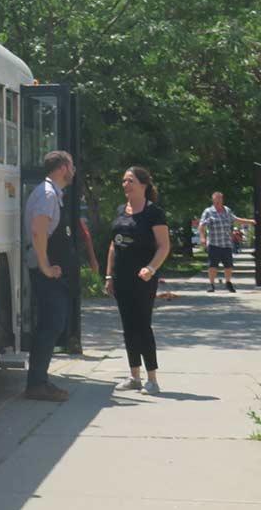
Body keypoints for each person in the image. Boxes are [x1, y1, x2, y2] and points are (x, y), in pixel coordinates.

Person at [104, 167, 170, 395]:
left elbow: (164, 246)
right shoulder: (121, 210)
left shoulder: (154, 213)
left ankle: (152, 379)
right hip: (121, 278)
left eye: (130, 180)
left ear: (143, 184)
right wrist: (109, 275)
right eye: (123, 181)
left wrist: (151, 268)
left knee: (142, 326)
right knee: (128, 327)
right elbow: (113, 245)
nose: (125, 184)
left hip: (143, 279)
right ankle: (134, 376)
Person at [24, 150, 77, 402]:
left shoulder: (54, 194)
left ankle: (39, 381)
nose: (74, 170)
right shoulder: (47, 195)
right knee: (51, 325)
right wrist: (45, 267)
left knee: (51, 324)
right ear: (63, 167)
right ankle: (37, 383)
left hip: (53, 273)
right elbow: (38, 232)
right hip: (47, 273)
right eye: (72, 165)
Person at [198, 192, 256, 293]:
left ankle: (228, 283)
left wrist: (249, 221)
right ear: (213, 200)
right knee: (212, 265)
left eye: (219, 200)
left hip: (226, 243)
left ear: (222, 200)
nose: (217, 202)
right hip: (213, 243)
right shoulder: (208, 211)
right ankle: (212, 285)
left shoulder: (227, 210)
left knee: (228, 265)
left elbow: (236, 219)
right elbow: (201, 225)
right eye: (215, 200)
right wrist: (202, 238)